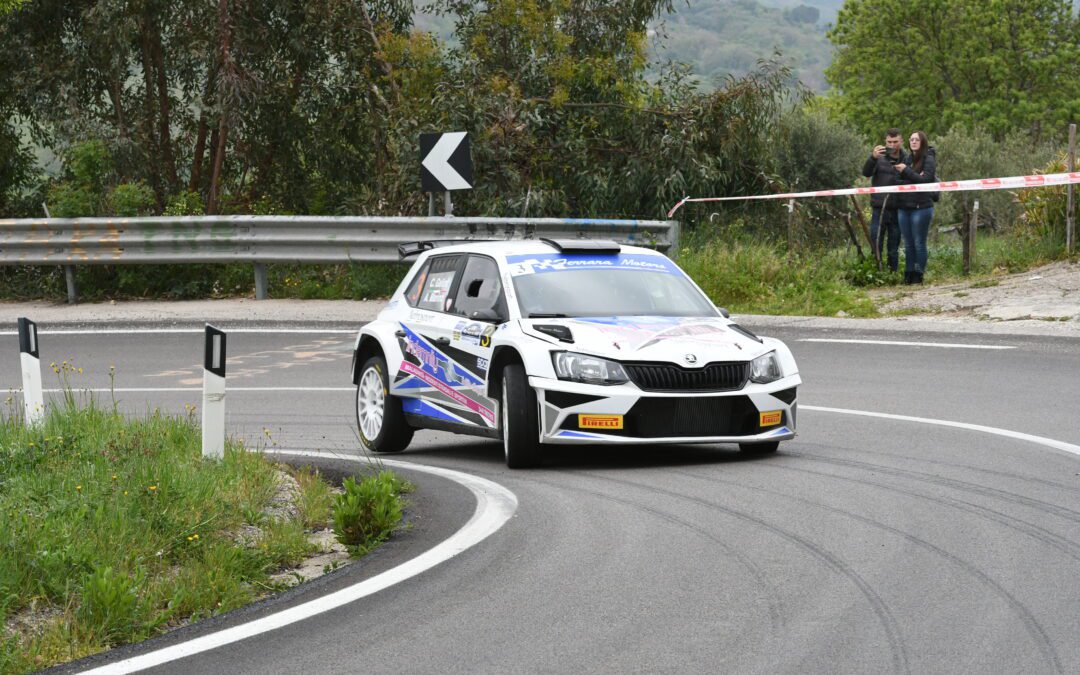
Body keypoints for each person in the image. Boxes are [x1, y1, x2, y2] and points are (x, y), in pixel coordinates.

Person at [896, 130, 937, 284]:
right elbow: (897, 180)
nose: (913, 142)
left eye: (916, 140)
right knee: (907, 243)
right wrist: (913, 176)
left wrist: (907, 172)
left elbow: (926, 180)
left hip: (922, 207)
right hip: (904, 206)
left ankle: (919, 274)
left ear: (923, 142)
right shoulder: (908, 158)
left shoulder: (929, 158)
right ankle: (908, 274)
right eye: (911, 139)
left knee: (919, 242)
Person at [861, 128, 905, 272]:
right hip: (879, 208)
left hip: (898, 208)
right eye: (889, 142)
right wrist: (872, 158)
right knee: (876, 242)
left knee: (893, 247)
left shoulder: (907, 159)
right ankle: (876, 273)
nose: (892, 145)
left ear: (901, 141)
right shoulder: (878, 158)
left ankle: (893, 275)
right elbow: (865, 173)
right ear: (885, 142)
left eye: (895, 142)